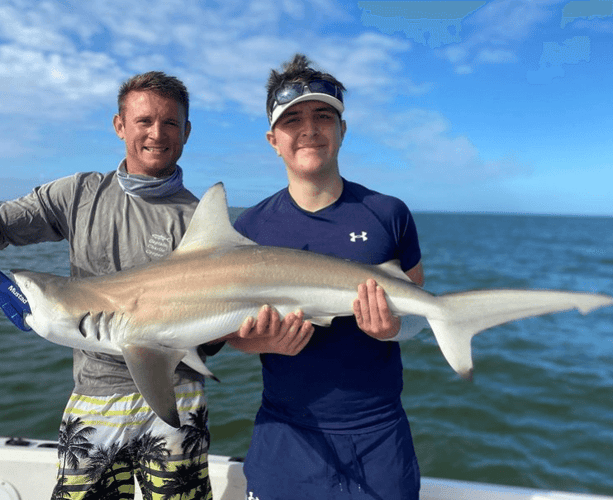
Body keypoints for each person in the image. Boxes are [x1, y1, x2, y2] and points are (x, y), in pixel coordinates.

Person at [0, 72, 216, 499]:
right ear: (120, 126)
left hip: (178, 394)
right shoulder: (78, 194)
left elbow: (213, 338)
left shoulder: (198, 220)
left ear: (186, 131)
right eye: (144, 121)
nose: (157, 134)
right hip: (94, 391)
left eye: (170, 123)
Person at [230, 54, 425, 499]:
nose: (309, 129)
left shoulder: (388, 214)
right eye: (292, 119)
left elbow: (418, 309)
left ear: (342, 129)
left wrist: (393, 328)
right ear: (272, 139)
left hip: (379, 437)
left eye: (323, 116)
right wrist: (258, 341)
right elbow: (228, 332)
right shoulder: (249, 230)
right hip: (286, 436)